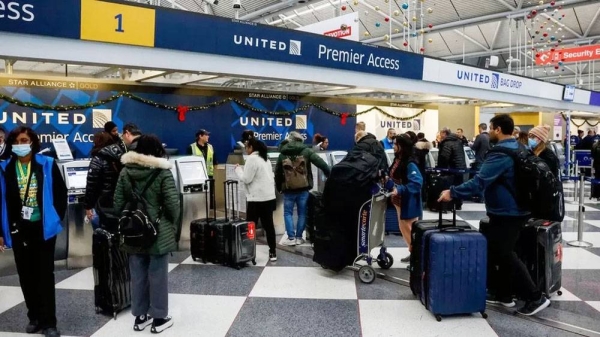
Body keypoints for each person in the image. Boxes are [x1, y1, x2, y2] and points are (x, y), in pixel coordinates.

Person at [438, 114, 551, 316]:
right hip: (520, 208)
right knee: (500, 251)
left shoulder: (500, 153)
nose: (489, 132)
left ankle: (535, 297)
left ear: (498, 129)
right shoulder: (520, 147)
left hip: (507, 212)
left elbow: (480, 182)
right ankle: (504, 294)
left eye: (490, 128)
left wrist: (452, 192)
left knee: (505, 253)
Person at [0, 126, 67, 337]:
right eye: (17, 141)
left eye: (24, 140)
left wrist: (55, 218)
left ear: (33, 142)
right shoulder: (5, 168)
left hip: (43, 229)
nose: (21, 145)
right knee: (26, 276)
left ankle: (49, 323)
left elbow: (60, 194)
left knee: (44, 276)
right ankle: (34, 317)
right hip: (18, 229)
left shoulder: (46, 164)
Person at [114, 135, 180, 333]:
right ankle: (159, 318)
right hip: (157, 232)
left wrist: (133, 219)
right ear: (158, 150)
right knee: (158, 275)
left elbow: (117, 204)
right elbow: (173, 205)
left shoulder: (126, 171)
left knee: (138, 275)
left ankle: (140, 316)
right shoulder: (163, 172)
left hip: (133, 231)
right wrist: (170, 223)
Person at [275, 131, 330, 245]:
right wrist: (330, 175)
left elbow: (278, 173)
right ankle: (299, 237)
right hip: (303, 188)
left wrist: (279, 186)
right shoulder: (307, 151)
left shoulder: (283, 153)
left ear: (290, 139)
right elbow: (322, 164)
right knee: (302, 213)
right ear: (300, 140)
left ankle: (291, 238)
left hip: (288, 189)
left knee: (288, 213)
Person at [235, 139, 277, 261]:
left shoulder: (252, 159)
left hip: (256, 199)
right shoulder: (265, 158)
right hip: (269, 197)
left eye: (247, 147)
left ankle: (248, 252)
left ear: (251, 147)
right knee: (269, 226)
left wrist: (238, 170)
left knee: (250, 226)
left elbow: (247, 179)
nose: (246, 149)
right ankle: (273, 252)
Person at [389, 134, 423, 263]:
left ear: (401, 146)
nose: (393, 146)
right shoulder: (398, 159)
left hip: (408, 202)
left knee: (410, 229)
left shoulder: (410, 163)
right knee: (404, 228)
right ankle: (412, 251)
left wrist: (400, 189)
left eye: (395, 144)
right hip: (399, 201)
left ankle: (417, 256)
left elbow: (416, 183)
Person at [84, 132, 120, 230]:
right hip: (118, 203)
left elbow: (91, 185)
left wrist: (88, 206)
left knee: (101, 234)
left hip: (101, 204)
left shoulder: (98, 159)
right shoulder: (119, 157)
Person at [437, 127, 467, 210]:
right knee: (459, 185)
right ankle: (458, 204)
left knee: (450, 186)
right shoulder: (458, 141)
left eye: (441, 133)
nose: (440, 135)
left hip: (451, 168)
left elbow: (444, 157)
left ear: (444, 133)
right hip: (460, 167)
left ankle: (449, 205)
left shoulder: (447, 143)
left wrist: (441, 168)